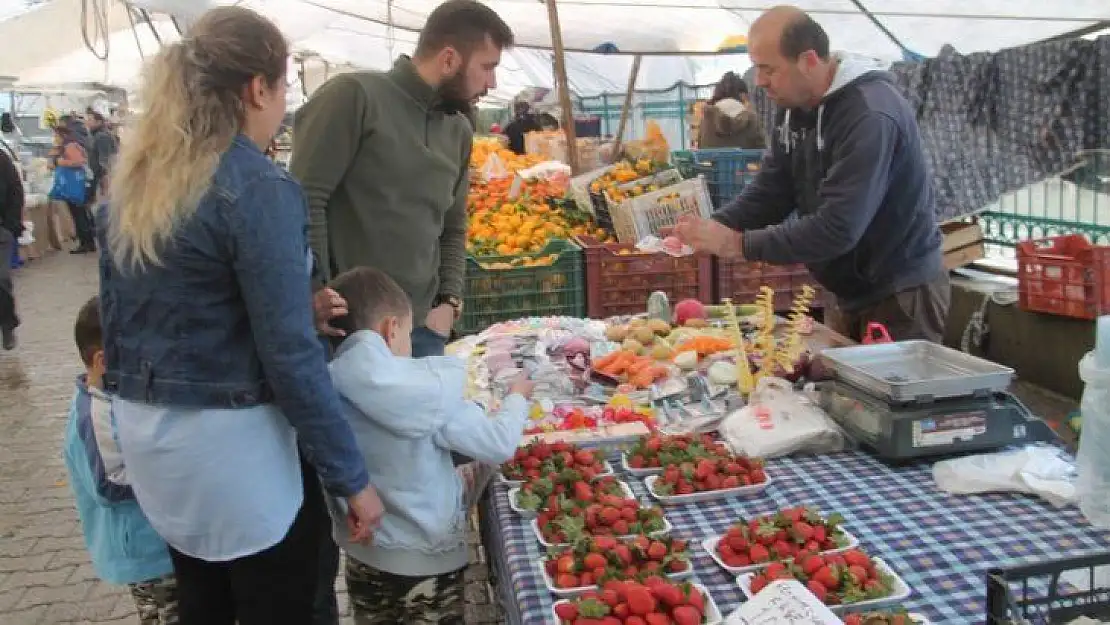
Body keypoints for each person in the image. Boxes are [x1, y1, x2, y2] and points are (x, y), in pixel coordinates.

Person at [96, 7, 383, 624]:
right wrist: (350, 477)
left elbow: (149, 312)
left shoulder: (137, 179)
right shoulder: (255, 186)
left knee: (205, 601)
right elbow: (290, 359)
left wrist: (293, 306)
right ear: (259, 88)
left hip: (155, 441)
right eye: (284, 90)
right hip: (234, 453)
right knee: (285, 601)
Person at [672, 6, 949, 343]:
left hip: (900, 291)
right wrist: (715, 226)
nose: (759, 81)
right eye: (756, 68)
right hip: (847, 287)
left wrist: (737, 244)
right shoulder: (794, 107)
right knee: (840, 390)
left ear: (808, 60)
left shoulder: (869, 114)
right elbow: (774, 187)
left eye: (768, 69)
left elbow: (839, 226)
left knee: (891, 393)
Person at [291, 0, 513, 360]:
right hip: (350, 331)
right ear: (449, 59)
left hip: (422, 332)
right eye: (487, 67)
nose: (492, 83)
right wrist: (316, 290)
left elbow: (453, 225)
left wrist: (449, 301)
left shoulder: (458, 128)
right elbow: (303, 199)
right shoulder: (353, 98)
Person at [324, 266, 533, 624]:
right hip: (428, 564)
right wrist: (517, 399)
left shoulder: (323, 385)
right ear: (391, 330)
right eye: (407, 334)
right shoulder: (426, 393)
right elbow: (498, 443)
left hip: (365, 556)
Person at [62, 297, 179, 625]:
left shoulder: (109, 398)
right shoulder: (93, 413)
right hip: (147, 553)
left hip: (152, 545)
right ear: (102, 360)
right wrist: (170, 475)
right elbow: (109, 485)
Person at [49, 125, 97, 254]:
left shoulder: (70, 146)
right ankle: (87, 242)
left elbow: (78, 161)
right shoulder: (66, 147)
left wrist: (61, 162)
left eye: (56, 136)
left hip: (75, 186)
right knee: (79, 213)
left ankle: (86, 243)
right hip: (72, 186)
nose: (55, 138)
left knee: (79, 214)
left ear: (62, 136)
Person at [698, 71, 766, 149]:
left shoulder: (706, 118)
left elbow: (700, 147)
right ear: (742, 95)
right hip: (745, 160)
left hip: (711, 160)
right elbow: (762, 150)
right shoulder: (751, 119)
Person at [0, 145, 22, 350]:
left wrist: (11, 225)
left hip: (1, 230)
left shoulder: (2, 159)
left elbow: (16, 190)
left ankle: (7, 324)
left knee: (2, 279)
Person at [86, 110, 119, 201]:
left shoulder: (102, 136)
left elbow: (106, 160)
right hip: (97, 176)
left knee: (103, 204)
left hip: (101, 178)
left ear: (99, 122)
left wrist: (104, 181)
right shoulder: (95, 135)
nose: (87, 122)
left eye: (90, 120)